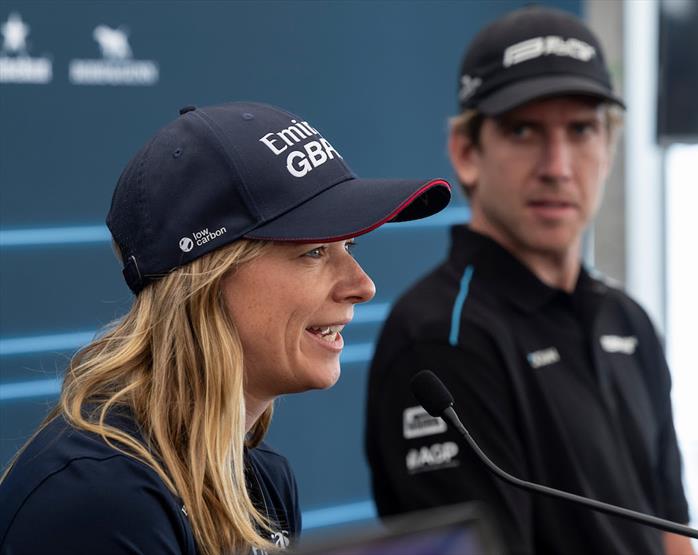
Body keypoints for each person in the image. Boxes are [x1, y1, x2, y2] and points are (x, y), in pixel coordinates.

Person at [0, 101, 450, 554]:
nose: (363, 285)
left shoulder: (262, 476)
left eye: (349, 245)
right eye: (314, 251)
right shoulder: (98, 499)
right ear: (206, 279)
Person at [365, 6, 694, 555]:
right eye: (524, 130)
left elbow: (673, 533)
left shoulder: (628, 320)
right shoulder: (441, 337)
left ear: (609, 150)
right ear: (467, 153)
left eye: (582, 130)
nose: (558, 165)